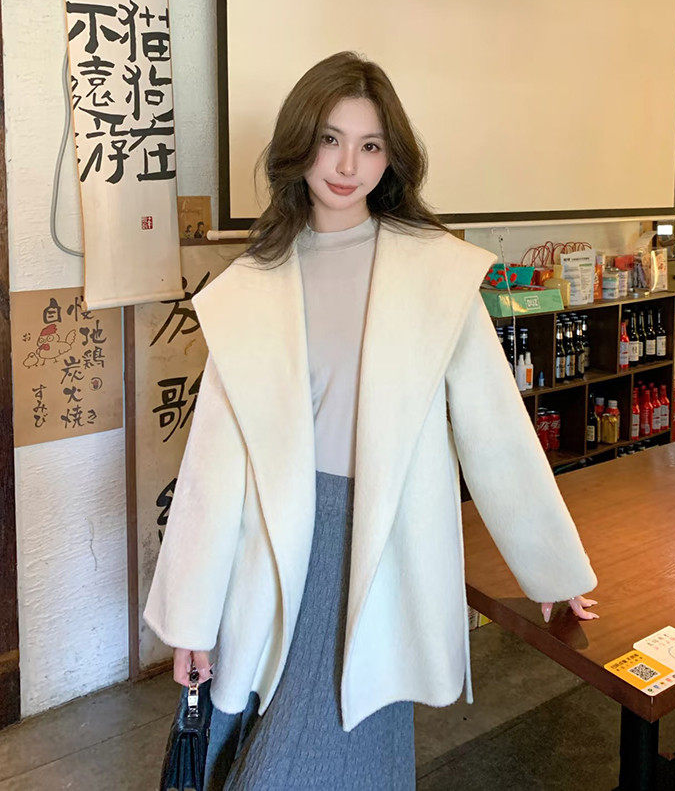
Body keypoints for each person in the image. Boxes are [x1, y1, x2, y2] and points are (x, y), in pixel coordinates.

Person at [143, 51, 598, 790]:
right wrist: (192, 617)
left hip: (384, 548)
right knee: (266, 746)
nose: (347, 164)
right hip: (273, 548)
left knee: (308, 759)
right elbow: (213, 466)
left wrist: (551, 568)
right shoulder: (252, 284)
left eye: (370, 144)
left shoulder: (434, 271)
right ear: (300, 143)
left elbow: (495, 430)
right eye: (330, 139)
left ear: (392, 159)